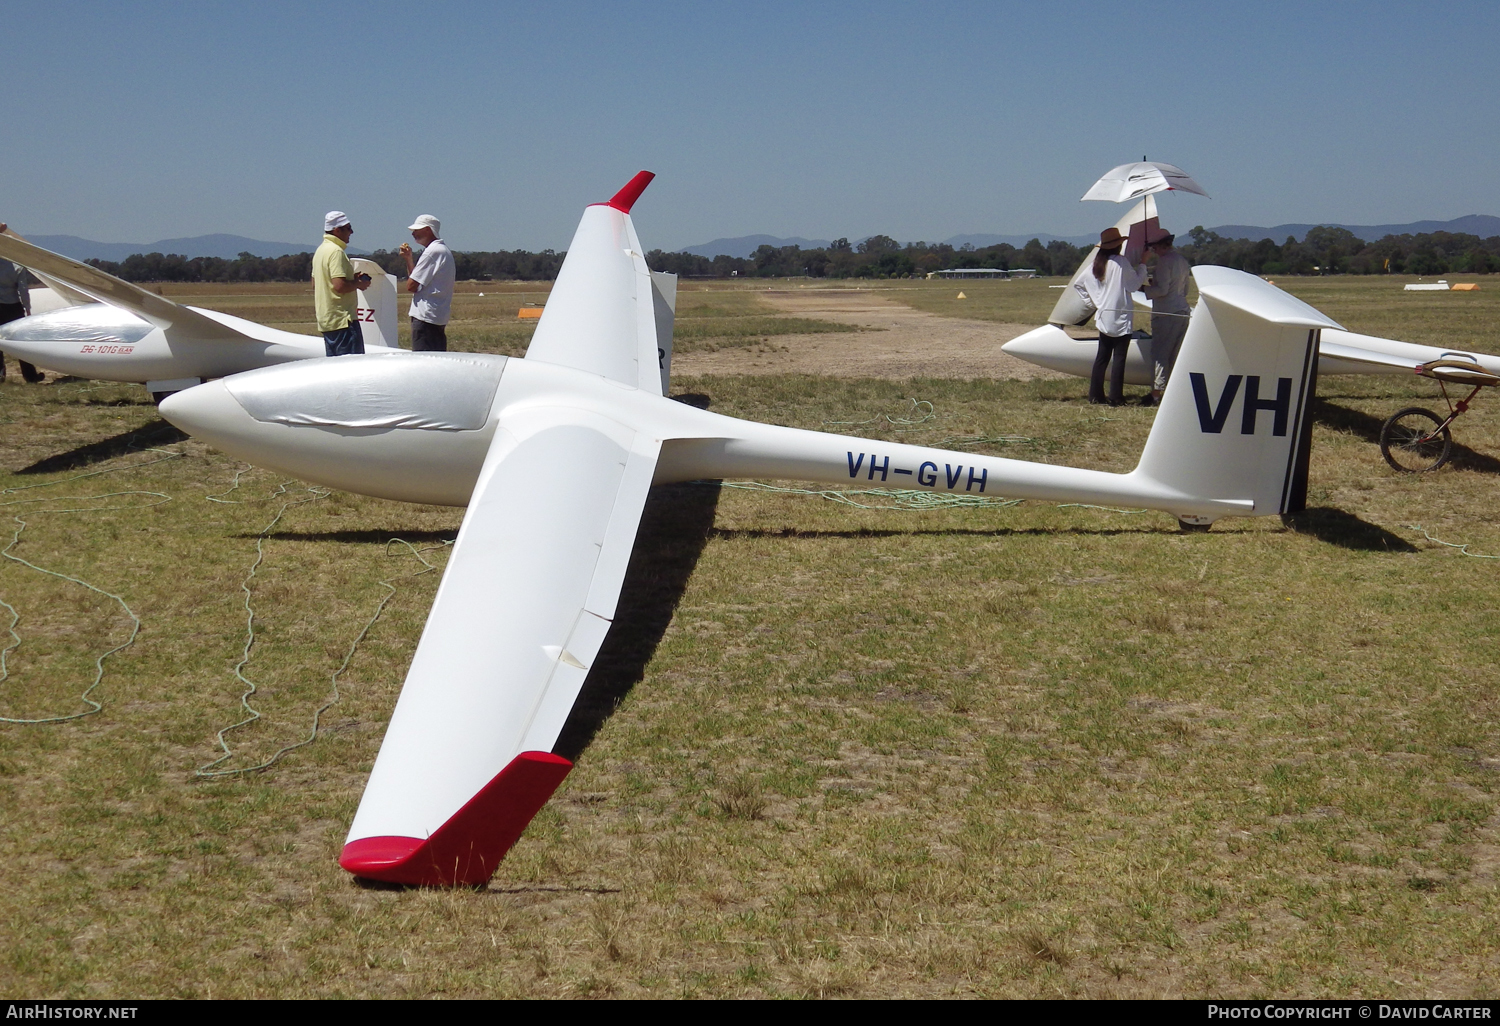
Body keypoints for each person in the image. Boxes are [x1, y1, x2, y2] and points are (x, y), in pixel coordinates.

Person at [1076, 226, 1148, 405]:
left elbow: (1079, 284)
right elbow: (1133, 285)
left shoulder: (1096, 265)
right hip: (1121, 317)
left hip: (1103, 316)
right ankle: (1115, 397)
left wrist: (1094, 302)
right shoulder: (1121, 263)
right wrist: (1143, 265)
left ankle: (1095, 395)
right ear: (1118, 246)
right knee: (1119, 358)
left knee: (1102, 358)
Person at [1141, 227, 1191, 406]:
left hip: (1166, 313)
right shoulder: (1182, 261)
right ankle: (1172, 390)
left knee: (1160, 353)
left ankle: (1156, 393)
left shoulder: (1164, 262)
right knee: (1175, 353)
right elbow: (1185, 289)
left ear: (1158, 246)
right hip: (1183, 311)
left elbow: (1162, 290)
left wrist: (1145, 288)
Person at [313, 211, 371, 356]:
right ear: (337, 230)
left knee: (335, 369)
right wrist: (358, 284)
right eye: (348, 228)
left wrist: (351, 278)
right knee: (352, 370)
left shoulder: (320, 251)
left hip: (327, 321)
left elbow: (315, 283)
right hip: (343, 321)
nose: (351, 232)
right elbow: (339, 286)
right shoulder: (336, 252)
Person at [399, 215, 455, 352]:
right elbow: (417, 283)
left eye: (417, 230)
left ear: (428, 230)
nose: (413, 233)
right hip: (437, 316)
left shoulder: (432, 252)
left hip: (425, 317)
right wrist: (409, 259)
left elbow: (411, 286)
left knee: (423, 362)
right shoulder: (443, 250)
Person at [0, 223, 41, 383]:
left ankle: (0, 374)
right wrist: (27, 308)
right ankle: (30, 376)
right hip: (13, 306)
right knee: (20, 341)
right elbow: (23, 289)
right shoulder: (17, 265)